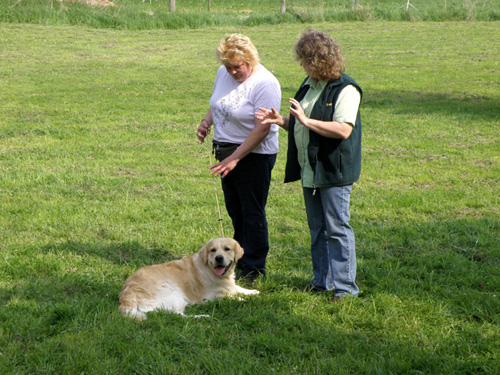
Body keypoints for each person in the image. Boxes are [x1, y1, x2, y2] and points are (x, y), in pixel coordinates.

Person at [256, 29, 362, 299]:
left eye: (304, 60)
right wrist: (282, 120)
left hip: (333, 170)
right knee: (317, 229)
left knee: (337, 228)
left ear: (317, 60)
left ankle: (345, 289)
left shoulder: (346, 89)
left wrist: (304, 121)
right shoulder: (309, 84)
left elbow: (342, 130)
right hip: (310, 169)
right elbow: (302, 123)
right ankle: (322, 282)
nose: (301, 65)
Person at [197, 33, 281, 282]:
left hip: (253, 155)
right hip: (225, 152)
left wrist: (235, 158)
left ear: (250, 59)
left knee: (252, 211)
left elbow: (262, 128)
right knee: (236, 210)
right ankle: (237, 258)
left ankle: (254, 269)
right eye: (228, 67)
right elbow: (219, 103)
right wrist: (207, 121)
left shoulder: (265, 83)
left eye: (238, 67)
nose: (233, 72)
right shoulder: (224, 73)